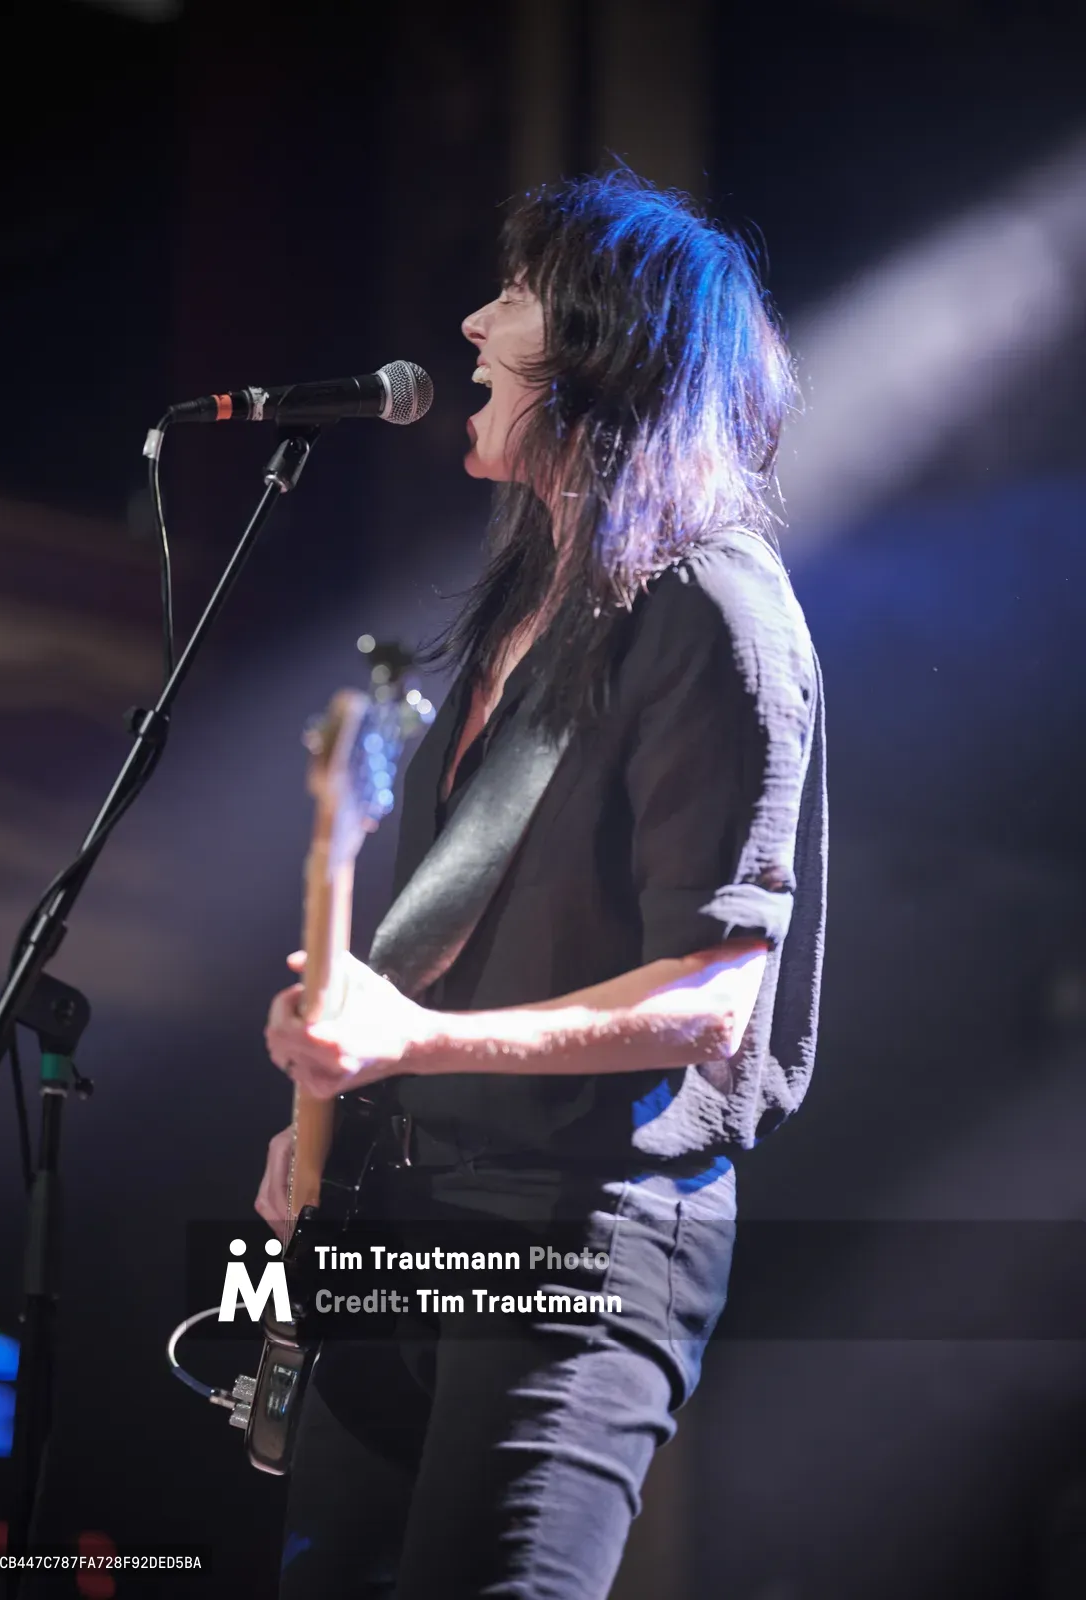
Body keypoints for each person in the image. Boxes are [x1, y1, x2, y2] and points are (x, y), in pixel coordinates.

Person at [257, 168, 826, 1599]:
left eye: (509, 301)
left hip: (582, 1235)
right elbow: (432, 955)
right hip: (415, 1210)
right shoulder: (533, 607)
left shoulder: (718, 612)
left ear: (596, 348)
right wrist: (330, 1103)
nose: (468, 324)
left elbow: (712, 997)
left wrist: (418, 1042)